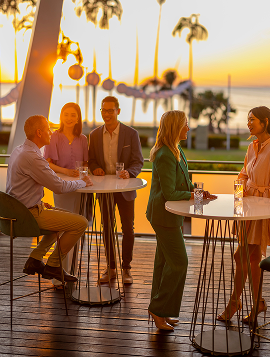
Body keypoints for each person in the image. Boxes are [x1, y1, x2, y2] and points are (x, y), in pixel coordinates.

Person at [146, 110, 216, 331]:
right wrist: (196, 196)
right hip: (163, 216)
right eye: (185, 124)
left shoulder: (177, 150)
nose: (188, 128)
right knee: (179, 262)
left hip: (170, 215)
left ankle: (163, 310)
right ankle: (158, 309)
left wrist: (199, 193)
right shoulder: (165, 154)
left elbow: (183, 185)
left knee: (164, 262)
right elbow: (169, 193)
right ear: (175, 127)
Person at [6, 115, 93, 283]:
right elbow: (59, 187)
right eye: (48, 129)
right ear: (39, 133)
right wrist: (81, 182)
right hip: (28, 216)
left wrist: (36, 201)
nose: (51, 132)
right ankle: (53, 265)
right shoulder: (33, 157)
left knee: (62, 218)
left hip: (19, 211)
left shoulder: (19, 150)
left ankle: (35, 258)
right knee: (80, 223)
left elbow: (17, 187)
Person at [218, 106, 270, 323]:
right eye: (248, 119)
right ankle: (257, 302)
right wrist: (240, 185)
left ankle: (235, 302)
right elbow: (244, 173)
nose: (249, 123)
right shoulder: (252, 146)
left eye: (253, 120)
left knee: (243, 255)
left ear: (266, 121)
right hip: (248, 207)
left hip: (263, 210)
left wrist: (258, 191)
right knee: (251, 257)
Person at [88, 96, 144, 284]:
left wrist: (130, 172)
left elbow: (138, 161)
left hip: (126, 189)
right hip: (104, 190)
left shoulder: (131, 134)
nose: (107, 114)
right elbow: (92, 159)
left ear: (118, 111)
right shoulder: (94, 135)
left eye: (110, 110)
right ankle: (111, 268)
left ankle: (126, 268)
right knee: (107, 228)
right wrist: (95, 167)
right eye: (104, 110)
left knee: (128, 228)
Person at [43, 102, 89, 284]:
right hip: (61, 186)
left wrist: (81, 172)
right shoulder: (55, 136)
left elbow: (85, 164)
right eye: (66, 114)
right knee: (61, 227)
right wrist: (66, 172)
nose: (69, 118)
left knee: (75, 228)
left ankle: (69, 270)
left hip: (78, 188)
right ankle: (57, 272)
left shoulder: (83, 139)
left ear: (78, 118)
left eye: (73, 115)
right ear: (61, 116)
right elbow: (48, 162)